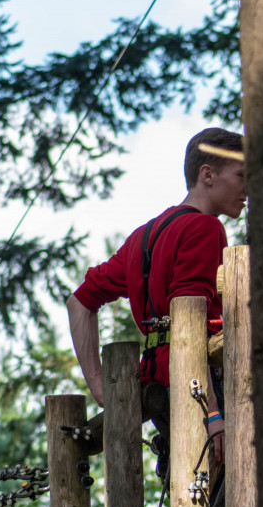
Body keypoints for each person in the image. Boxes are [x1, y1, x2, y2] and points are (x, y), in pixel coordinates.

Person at [66, 127, 246, 468]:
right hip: (199, 382)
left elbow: (79, 302)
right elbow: (189, 322)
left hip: (158, 379)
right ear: (207, 175)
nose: (247, 188)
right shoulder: (204, 228)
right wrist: (213, 414)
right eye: (241, 176)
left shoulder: (143, 236)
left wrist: (102, 391)